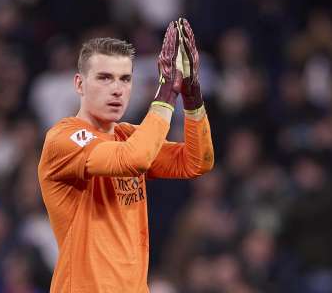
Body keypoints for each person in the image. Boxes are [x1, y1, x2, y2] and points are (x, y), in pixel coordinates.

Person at [38, 19, 214, 292]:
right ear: (79, 84)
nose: (117, 89)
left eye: (125, 79)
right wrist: (167, 90)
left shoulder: (129, 137)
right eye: (104, 78)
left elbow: (196, 161)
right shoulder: (63, 139)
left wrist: (191, 98)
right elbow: (134, 160)